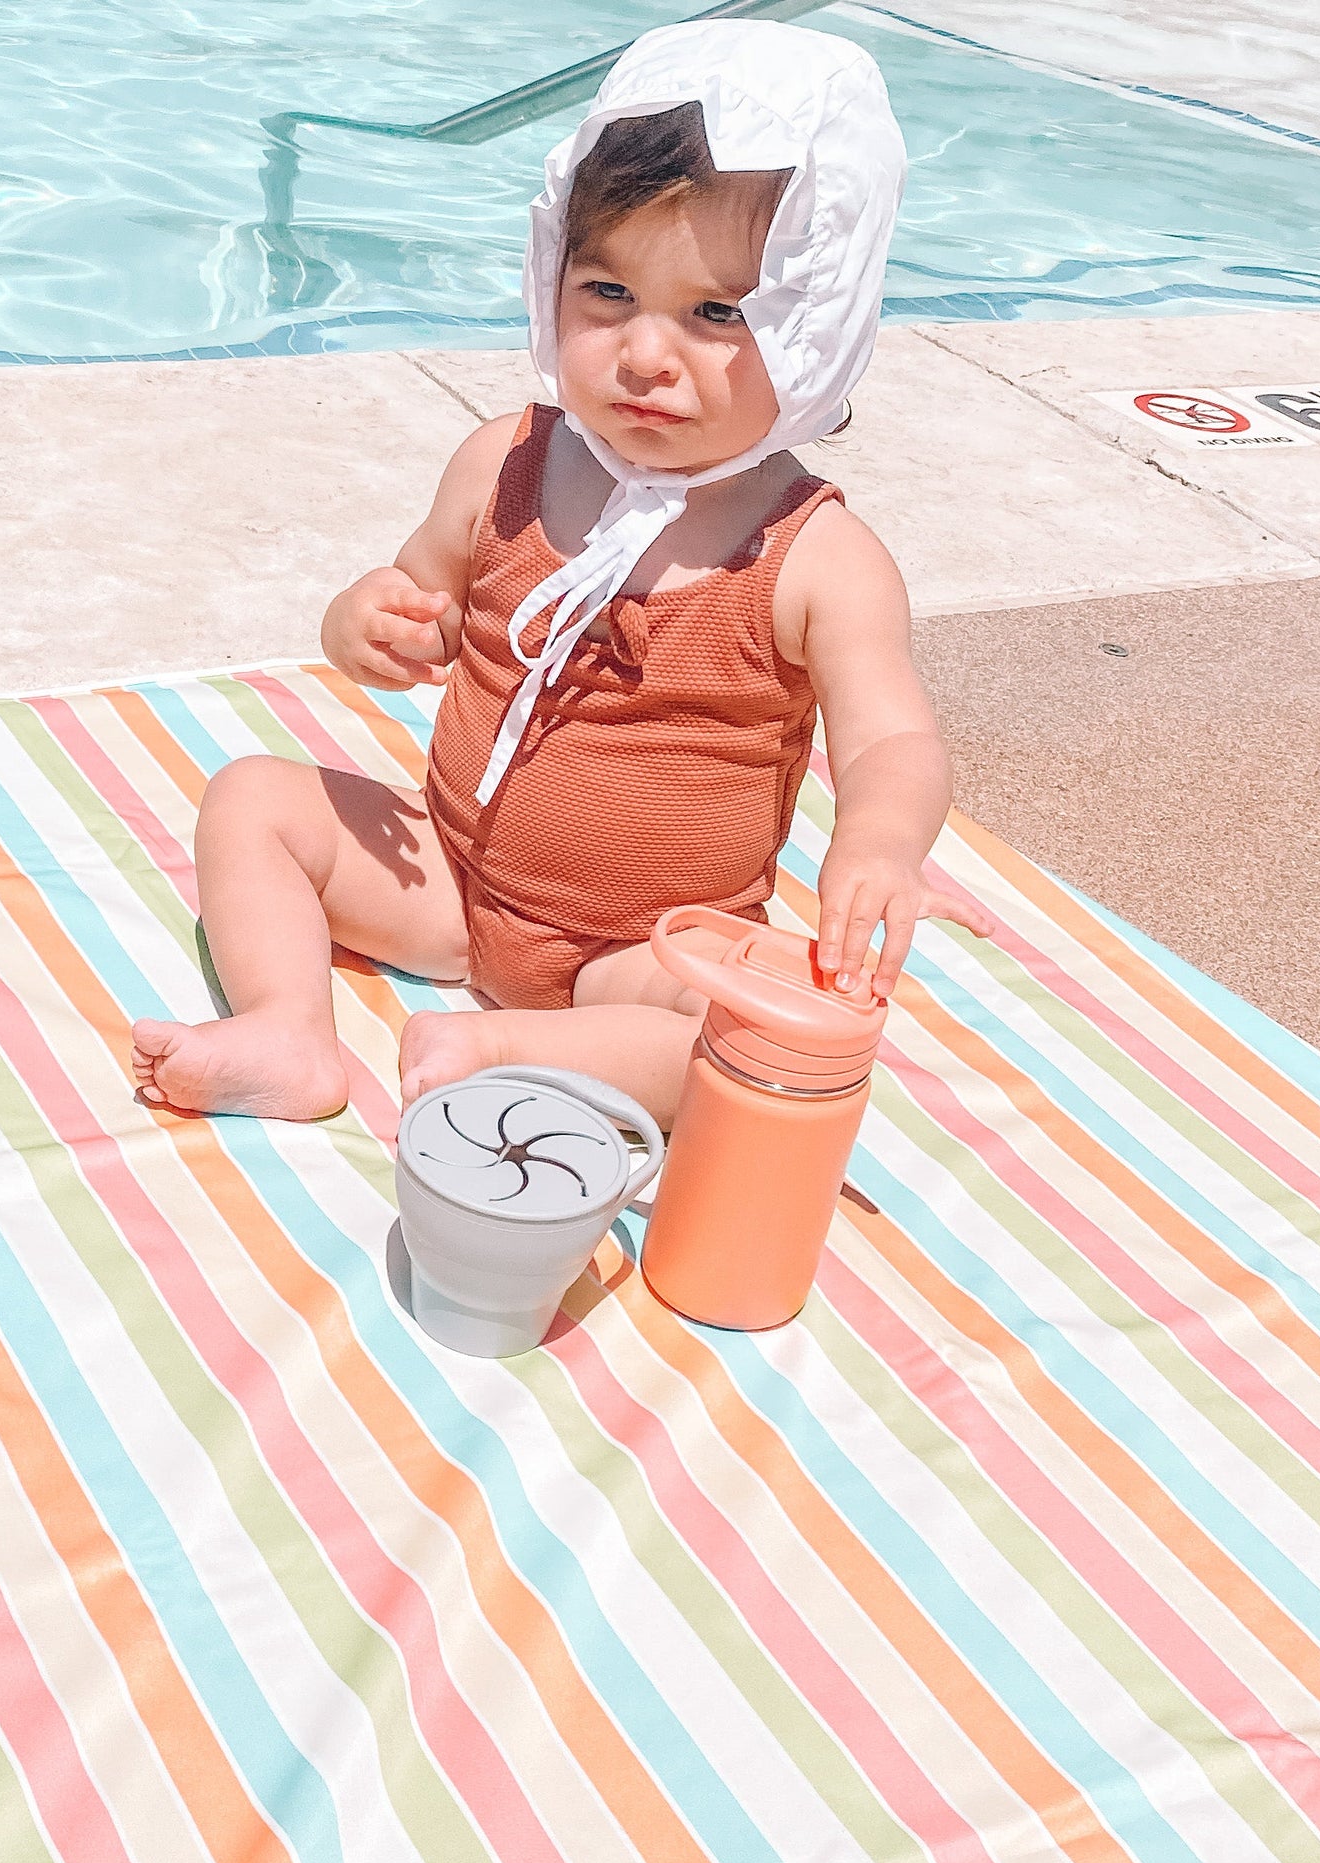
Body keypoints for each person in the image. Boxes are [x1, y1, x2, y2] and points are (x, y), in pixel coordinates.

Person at [130, 21, 995, 1125]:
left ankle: (503, 1047)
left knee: (751, 1042)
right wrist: (368, 623)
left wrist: (880, 844)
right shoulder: (508, 461)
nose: (644, 353)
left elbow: (891, 738)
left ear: (814, 330)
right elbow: (423, 598)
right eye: (606, 294)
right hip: (451, 882)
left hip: (642, 950)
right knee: (252, 799)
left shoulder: (816, 556)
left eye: (717, 313)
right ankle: (288, 1032)